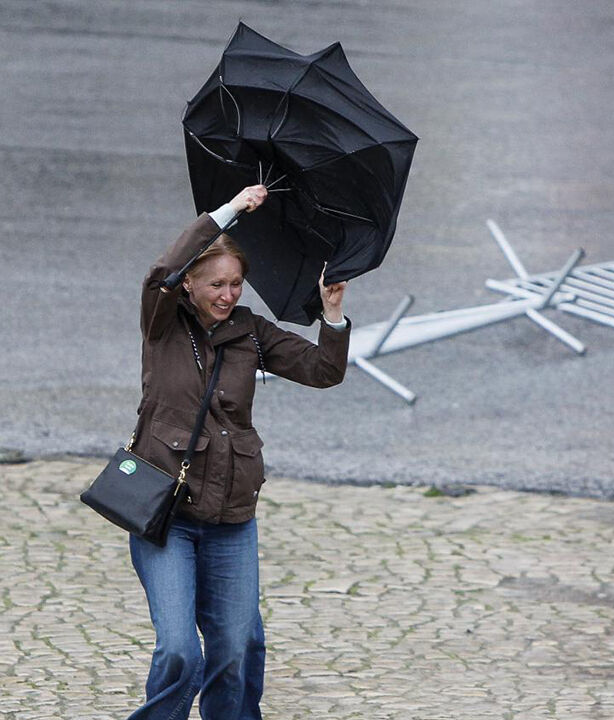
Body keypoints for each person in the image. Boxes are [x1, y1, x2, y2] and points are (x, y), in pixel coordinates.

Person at [126, 184, 350, 720]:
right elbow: (162, 273)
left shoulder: (251, 333)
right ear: (190, 285)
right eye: (216, 284)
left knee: (236, 649)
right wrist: (230, 211)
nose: (228, 294)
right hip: (167, 514)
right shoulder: (163, 323)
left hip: (231, 516)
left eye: (236, 283)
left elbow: (324, 370)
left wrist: (333, 313)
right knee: (180, 649)